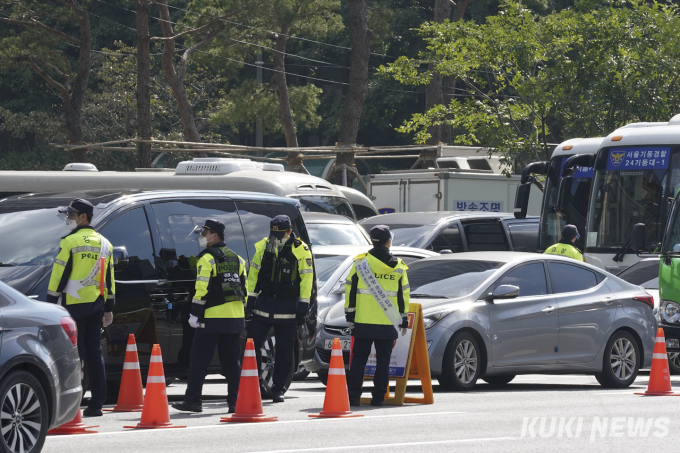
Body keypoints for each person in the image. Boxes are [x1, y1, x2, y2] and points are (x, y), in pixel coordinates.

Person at [47, 198, 115, 417]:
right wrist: (109, 307)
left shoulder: (70, 242)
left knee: (75, 355)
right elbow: (109, 280)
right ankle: (97, 404)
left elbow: (59, 275)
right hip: (96, 305)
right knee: (95, 354)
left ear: (83, 217)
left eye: (71, 215)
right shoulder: (106, 244)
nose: (68, 219)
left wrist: (49, 304)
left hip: (73, 307)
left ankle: (73, 404)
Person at [172, 219, 247, 414]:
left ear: (214, 235)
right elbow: (244, 290)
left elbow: (201, 290)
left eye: (204, 234)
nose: (202, 238)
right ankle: (235, 402)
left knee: (199, 360)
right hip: (234, 319)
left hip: (211, 319)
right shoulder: (238, 259)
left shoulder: (206, 259)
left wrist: (194, 314)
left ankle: (193, 401)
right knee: (232, 363)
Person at [246, 215, 313, 403]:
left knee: (284, 351)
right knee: (252, 345)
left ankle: (278, 388)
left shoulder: (301, 250)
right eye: (273, 233)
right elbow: (254, 275)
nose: (276, 237)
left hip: (288, 306)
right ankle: (255, 382)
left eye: (280, 233)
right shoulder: (263, 247)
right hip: (264, 303)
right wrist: (250, 300)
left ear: (289, 232)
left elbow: (306, 280)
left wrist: (303, 306)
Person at [345, 225, 410, 407]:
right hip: (387, 322)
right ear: (389, 242)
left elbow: (349, 291)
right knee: (383, 361)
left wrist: (350, 317)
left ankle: (354, 397)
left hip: (363, 321)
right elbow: (403, 295)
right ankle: (379, 398)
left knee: (358, 360)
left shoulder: (360, 263)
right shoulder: (398, 267)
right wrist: (404, 320)